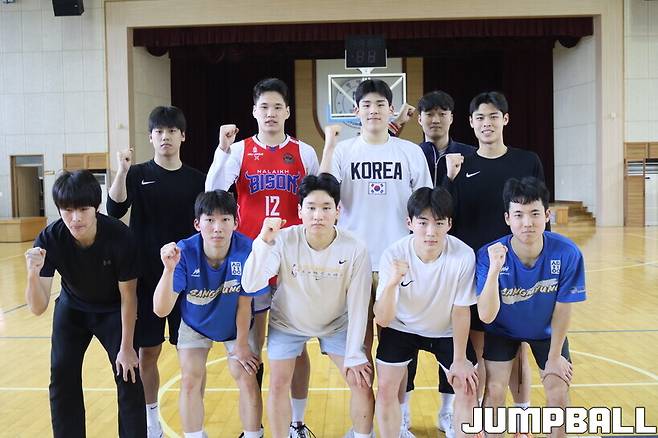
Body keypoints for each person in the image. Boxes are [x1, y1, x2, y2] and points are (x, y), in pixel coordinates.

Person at [205, 78, 319, 437]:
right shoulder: (240, 150)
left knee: (295, 347)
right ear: (254, 111)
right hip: (251, 260)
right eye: (264, 107)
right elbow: (213, 190)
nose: (270, 113)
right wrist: (221, 150)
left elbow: (318, 202)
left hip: (291, 261)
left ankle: (297, 423)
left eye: (277, 107)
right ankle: (253, 429)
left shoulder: (304, 152)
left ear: (288, 111)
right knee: (251, 348)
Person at [320, 79, 432, 437]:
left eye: (380, 104)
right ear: (355, 111)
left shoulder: (409, 152)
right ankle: (364, 427)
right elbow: (323, 191)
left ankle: (398, 421)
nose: (373, 110)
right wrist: (328, 144)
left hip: (397, 263)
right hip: (353, 262)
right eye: (366, 104)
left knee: (396, 347)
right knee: (360, 347)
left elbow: (424, 205)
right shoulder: (344, 152)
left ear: (390, 110)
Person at [242, 173, 375, 438]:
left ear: (338, 211)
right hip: (288, 323)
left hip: (336, 324)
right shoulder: (282, 239)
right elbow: (251, 283)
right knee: (278, 383)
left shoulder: (356, 248)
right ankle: (290, 430)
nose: (318, 216)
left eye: (326, 208)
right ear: (299, 211)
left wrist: (354, 353)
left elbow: (359, 305)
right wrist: (263, 242)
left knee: (360, 381)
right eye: (311, 208)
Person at [445, 91, 548, 413]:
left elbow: (540, 212)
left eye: (493, 116)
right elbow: (448, 215)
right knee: (479, 347)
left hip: (518, 269)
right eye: (480, 118)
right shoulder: (461, 165)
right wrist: (448, 179)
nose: (486, 123)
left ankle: (522, 415)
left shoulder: (527, 161)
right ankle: (477, 416)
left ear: (505, 119)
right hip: (475, 270)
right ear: (471, 123)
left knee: (517, 349)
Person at [107, 106, 206, 438]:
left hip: (187, 279)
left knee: (191, 353)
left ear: (183, 136)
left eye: (172, 131)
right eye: (159, 131)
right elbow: (114, 208)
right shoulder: (136, 174)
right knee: (148, 352)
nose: (165, 137)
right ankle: (151, 423)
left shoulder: (196, 179)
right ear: (150, 137)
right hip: (147, 278)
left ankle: (195, 423)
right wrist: (121, 171)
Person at [25, 170, 146, 437]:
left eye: (83, 209)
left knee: (128, 374)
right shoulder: (50, 238)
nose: (75, 218)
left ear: (97, 207)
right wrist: (33, 274)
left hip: (113, 310)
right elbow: (37, 307)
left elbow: (129, 296)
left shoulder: (120, 236)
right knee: (61, 375)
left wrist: (127, 348)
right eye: (68, 210)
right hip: (73, 308)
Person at [389, 90, 476, 437]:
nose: (435, 119)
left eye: (442, 113)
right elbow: (420, 201)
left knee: (450, 330)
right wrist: (398, 122)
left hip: (453, 253)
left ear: (452, 117)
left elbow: (456, 204)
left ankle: (448, 411)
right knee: (405, 327)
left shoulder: (469, 155)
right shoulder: (413, 153)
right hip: (415, 252)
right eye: (428, 114)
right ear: (420, 119)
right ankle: (403, 413)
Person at [152, 190, 269, 438]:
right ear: (197, 224)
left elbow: (246, 304)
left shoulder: (248, 251)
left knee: (247, 376)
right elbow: (161, 310)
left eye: (225, 219)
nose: (217, 228)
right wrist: (168, 270)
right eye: (210, 220)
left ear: (235, 222)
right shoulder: (183, 252)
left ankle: (253, 434)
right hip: (195, 324)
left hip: (235, 323)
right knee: (190, 379)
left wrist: (242, 345)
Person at [476, 177, 586, 438]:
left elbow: (563, 309)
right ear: (507, 218)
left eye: (535, 213)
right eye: (519, 215)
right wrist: (494, 271)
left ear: (547, 215)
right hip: (501, 330)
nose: (527, 223)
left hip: (546, 332)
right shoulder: (489, 255)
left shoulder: (567, 253)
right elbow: (486, 315)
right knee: (494, 391)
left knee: (558, 390)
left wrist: (555, 356)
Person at [373, 186, 479, 438]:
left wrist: (460, 359)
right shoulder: (393, 254)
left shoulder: (463, 255)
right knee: (386, 388)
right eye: (423, 223)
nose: (431, 232)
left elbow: (461, 309)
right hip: (402, 328)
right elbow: (383, 318)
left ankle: (450, 417)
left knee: (467, 387)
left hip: (446, 329)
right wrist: (392, 282)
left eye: (439, 223)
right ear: (409, 223)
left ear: (449, 224)